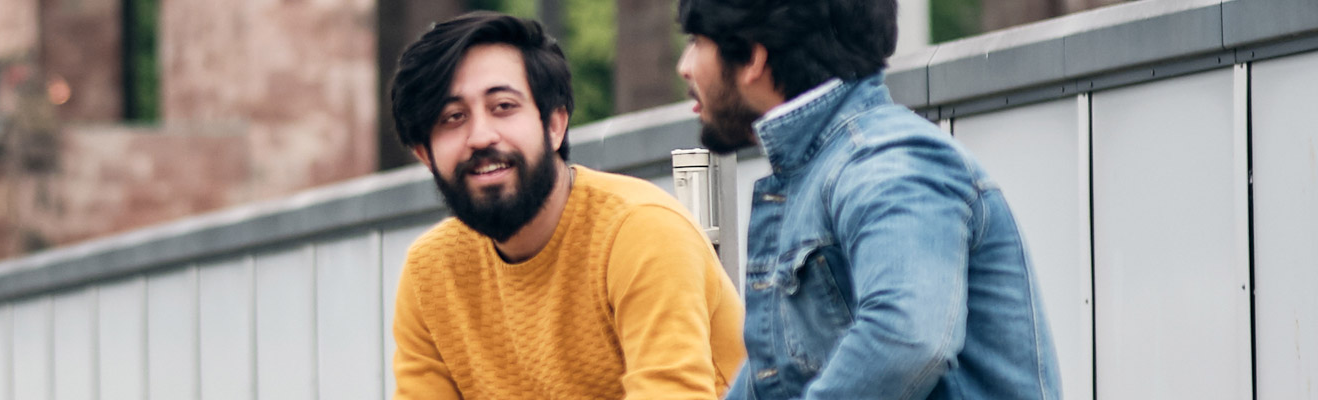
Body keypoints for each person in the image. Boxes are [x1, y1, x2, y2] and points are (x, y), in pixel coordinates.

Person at [675, 0, 1061, 398]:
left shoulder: (887, 160)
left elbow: (907, 338)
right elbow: (768, 381)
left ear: (753, 57)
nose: (685, 66)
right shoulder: (815, 172)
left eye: (697, 41)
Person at [386, 11, 744, 399]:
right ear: (425, 154)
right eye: (453, 117)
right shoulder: (430, 272)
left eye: (503, 106)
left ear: (555, 125)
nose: (480, 137)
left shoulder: (641, 232)